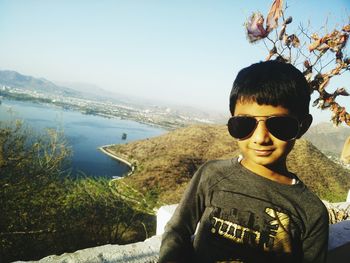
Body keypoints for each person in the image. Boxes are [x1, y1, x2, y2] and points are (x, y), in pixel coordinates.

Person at [158, 60, 329, 263]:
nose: (260, 138)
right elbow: (177, 230)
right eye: (244, 124)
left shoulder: (310, 211)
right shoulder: (211, 175)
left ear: (303, 126)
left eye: (281, 125)